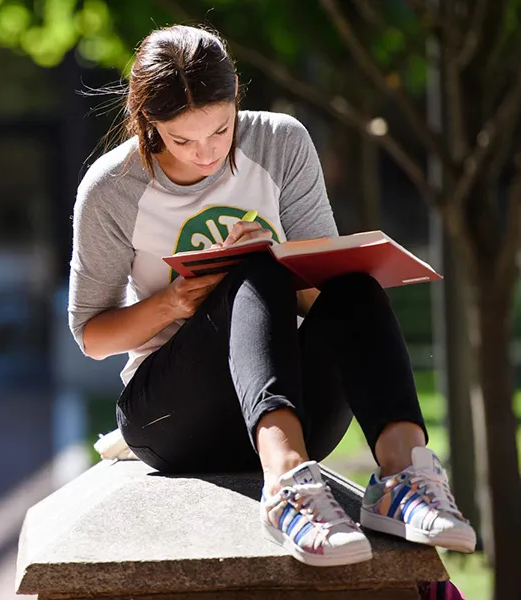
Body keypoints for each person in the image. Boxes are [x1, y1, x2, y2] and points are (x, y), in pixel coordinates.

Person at [68, 24, 476, 567]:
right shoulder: (111, 188)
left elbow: (321, 302)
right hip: (172, 417)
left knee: (349, 283)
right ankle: (286, 488)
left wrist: (282, 256)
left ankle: (403, 476)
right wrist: (177, 302)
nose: (206, 153)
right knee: (253, 272)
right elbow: (93, 337)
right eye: (181, 140)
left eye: (219, 130)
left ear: (236, 91)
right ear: (148, 122)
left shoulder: (281, 142)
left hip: (294, 402)